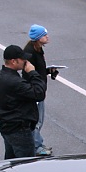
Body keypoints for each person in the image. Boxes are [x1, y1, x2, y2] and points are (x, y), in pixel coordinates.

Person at [0, 45, 46, 159]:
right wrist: (32, 73)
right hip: (20, 130)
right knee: (25, 165)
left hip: (7, 127)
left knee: (10, 163)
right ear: (13, 61)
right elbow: (39, 93)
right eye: (22, 59)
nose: (25, 61)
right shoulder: (15, 82)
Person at [23, 24, 57, 157]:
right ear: (38, 38)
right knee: (36, 120)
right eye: (44, 35)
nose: (47, 36)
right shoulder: (31, 53)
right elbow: (29, 74)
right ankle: (36, 146)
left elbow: (37, 71)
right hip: (35, 92)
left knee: (38, 120)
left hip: (39, 90)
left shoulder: (37, 49)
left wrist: (48, 71)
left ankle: (37, 143)